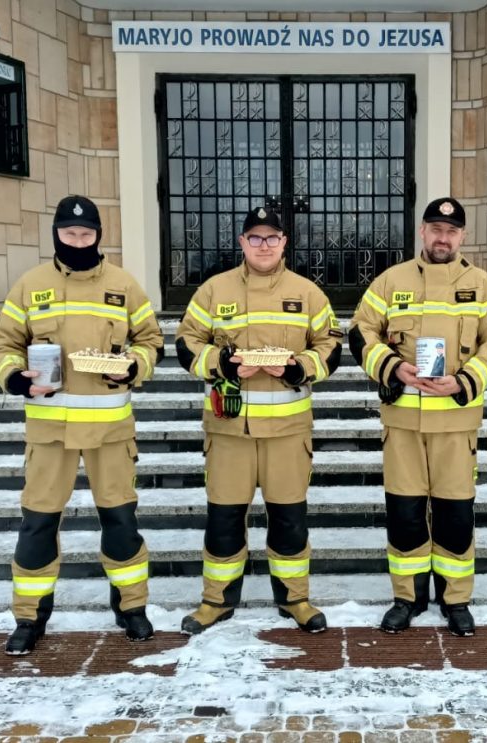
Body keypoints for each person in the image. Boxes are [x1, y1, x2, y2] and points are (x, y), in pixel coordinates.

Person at [0, 195, 164, 655]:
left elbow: (151, 340)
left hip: (110, 431)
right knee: (37, 526)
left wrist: (133, 367)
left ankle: (132, 608)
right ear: (56, 235)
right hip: (50, 433)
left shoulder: (124, 285)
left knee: (121, 522)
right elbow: (4, 345)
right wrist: (14, 378)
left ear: (99, 236)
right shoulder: (30, 286)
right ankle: (29, 618)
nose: (79, 242)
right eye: (70, 234)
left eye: (87, 235)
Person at [174, 206, 343, 635]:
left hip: (287, 432)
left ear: (285, 242)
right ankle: (215, 601)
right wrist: (223, 364)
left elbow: (332, 346)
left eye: (272, 238)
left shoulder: (308, 293)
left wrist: (299, 367)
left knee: (289, 520)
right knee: (224, 520)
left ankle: (296, 599)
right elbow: (184, 342)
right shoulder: (214, 290)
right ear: (242, 242)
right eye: (255, 238)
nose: (263, 245)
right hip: (229, 429)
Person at [348, 197, 487, 637]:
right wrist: (393, 368)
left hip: (456, 425)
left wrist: (465, 381)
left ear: (462, 236)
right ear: (422, 232)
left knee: (456, 517)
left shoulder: (482, 285)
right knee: (405, 514)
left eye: (451, 230)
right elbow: (360, 332)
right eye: (436, 228)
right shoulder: (390, 281)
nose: (443, 237)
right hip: (402, 422)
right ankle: (407, 597)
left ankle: (456, 600)